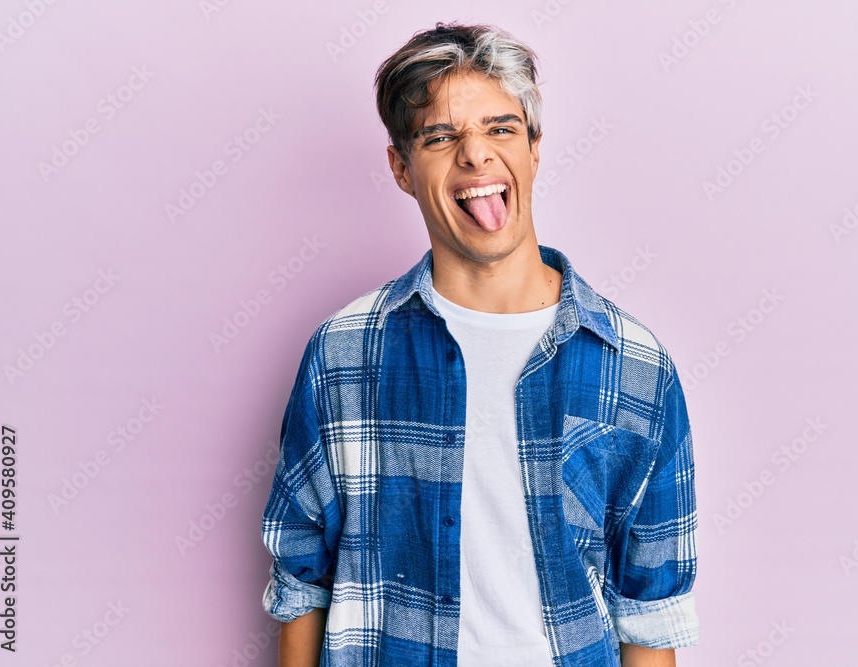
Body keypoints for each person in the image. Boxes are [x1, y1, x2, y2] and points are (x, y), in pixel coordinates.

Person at [260, 21, 699, 667]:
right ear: (401, 168)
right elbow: (301, 576)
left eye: (500, 128)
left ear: (534, 149)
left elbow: (649, 612)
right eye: (441, 136)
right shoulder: (344, 352)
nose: (475, 155)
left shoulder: (633, 362)